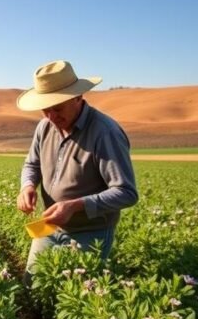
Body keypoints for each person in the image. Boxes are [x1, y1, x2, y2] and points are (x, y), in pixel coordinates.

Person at [15, 60, 138, 277]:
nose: (51, 117)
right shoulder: (45, 127)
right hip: (49, 226)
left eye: (58, 108)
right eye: (45, 110)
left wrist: (75, 206)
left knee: (75, 296)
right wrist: (27, 186)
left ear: (78, 98)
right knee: (33, 286)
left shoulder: (104, 133)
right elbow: (32, 164)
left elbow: (126, 193)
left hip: (90, 232)